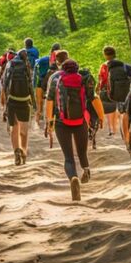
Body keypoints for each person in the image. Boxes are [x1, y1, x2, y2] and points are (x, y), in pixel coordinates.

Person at [44, 56, 105, 202]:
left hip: (61, 122)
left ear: (62, 69)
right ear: (77, 69)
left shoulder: (55, 81)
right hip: (80, 122)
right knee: (82, 151)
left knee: (68, 157)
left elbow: (50, 100)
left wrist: (49, 121)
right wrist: (101, 117)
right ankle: (85, 170)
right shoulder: (83, 80)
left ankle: (73, 178)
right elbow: (94, 98)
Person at [1, 49, 35, 166]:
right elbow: (31, 84)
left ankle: (16, 153)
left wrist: (4, 106)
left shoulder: (10, 64)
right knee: (24, 131)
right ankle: (23, 152)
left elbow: (4, 84)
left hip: (12, 101)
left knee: (14, 129)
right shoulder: (26, 65)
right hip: (24, 101)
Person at [97, 46, 131, 153]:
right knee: (124, 113)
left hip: (113, 94)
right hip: (128, 94)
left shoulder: (104, 66)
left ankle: (124, 138)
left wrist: (99, 90)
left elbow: (101, 80)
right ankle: (127, 136)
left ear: (105, 55)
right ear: (115, 54)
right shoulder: (125, 65)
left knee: (119, 114)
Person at [33, 42, 61, 122]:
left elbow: (36, 65)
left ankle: (37, 119)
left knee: (39, 103)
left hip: (42, 81)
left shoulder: (45, 59)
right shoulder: (61, 61)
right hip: (56, 82)